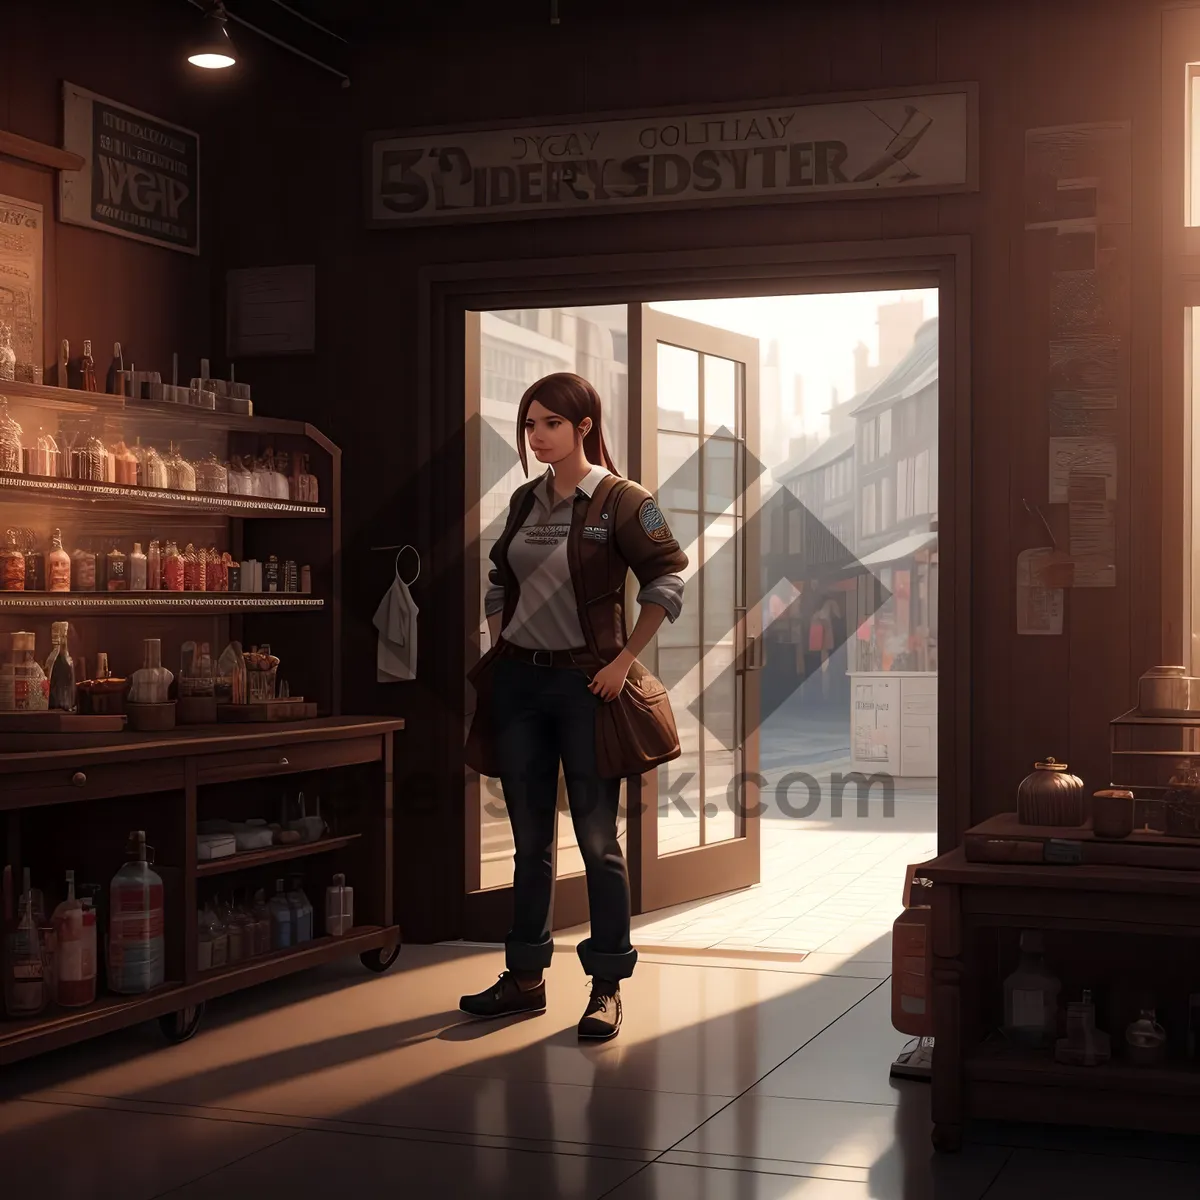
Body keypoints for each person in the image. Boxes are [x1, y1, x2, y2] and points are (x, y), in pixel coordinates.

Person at [460, 372, 687, 1041]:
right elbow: (500, 581)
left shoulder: (625, 500)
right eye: (529, 425)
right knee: (530, 845)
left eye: (550, 423)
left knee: (597, 842)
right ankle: (526, 979)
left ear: (584, 427)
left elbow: (668, 577)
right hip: (522, 687)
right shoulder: (526, 501)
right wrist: (501, 651)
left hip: (590, 689)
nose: (536, 436)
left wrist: (623, 663)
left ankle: (606, 987)